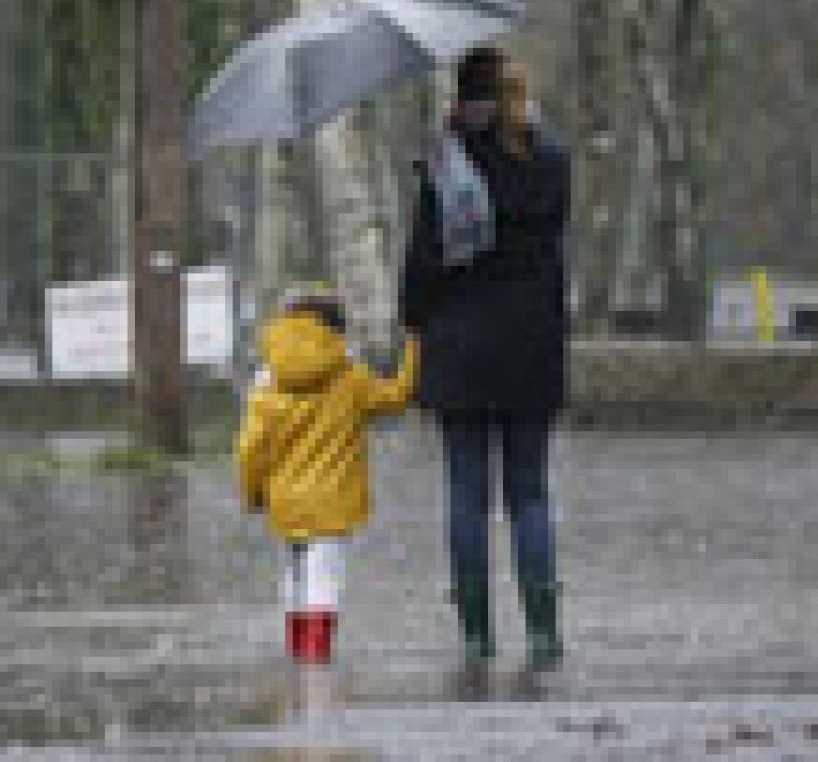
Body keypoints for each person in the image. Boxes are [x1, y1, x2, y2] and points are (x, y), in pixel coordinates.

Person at [400, 45, 570, 665]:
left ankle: (477, 634)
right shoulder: (551, 160)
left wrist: (414, 320)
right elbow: (552, 251)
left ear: (463, 98)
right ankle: (544, 629)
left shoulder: (445, 164)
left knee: (466, 494)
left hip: (460, 347)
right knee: (530, 494)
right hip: (529, 346)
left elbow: (423, 262)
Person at [236, 284, 420, 663]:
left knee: (294, 571)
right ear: (335, 329)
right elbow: (397, 396)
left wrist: (253, 492)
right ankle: (316, 655)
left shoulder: (265, 382)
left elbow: (251, 447)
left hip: (284, 499)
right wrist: (415, 348)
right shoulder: (350, 379)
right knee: (324, 576)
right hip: (332, 499)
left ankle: (296, 649)